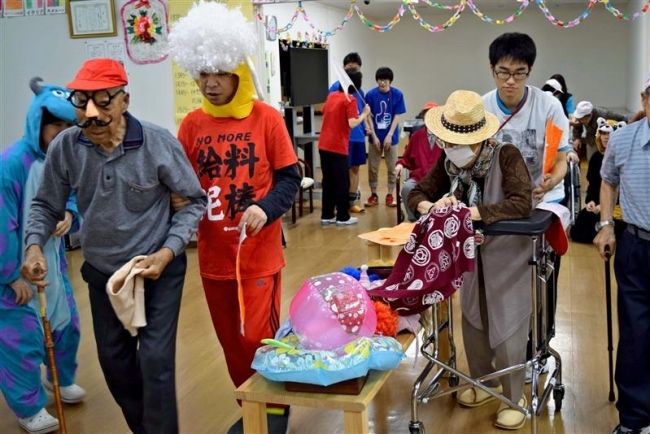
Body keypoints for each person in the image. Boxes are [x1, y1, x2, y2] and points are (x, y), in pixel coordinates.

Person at [21, 58, 207, 434]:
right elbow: (45, 204)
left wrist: (168, 251)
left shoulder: (157, 143)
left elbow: (192, 202)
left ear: (124, 100)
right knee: (115, 365)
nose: (90, 114)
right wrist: (34, 245)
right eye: (81, 103)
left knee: (156, 362)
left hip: (156, 268)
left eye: (103, 102)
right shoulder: (66, 148)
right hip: (103, 272)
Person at [168, 3, 301, 433]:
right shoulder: (190, 125)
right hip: (214, 257)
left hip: (259, 256)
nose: (209, 82)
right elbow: (182, 186)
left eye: (219, 72)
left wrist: (265, 207)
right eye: (202, 72)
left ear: (238, 72)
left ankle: (272, 410)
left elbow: (290, 176)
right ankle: (254, 408)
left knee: (254, 338)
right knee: (229, 343)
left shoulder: (267, 119)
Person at [408, 90, 533, 430]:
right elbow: (420, 190)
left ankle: (515, 395)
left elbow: (522, 202)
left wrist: (474, 212)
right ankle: (485, 383)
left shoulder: (506, 156)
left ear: (481, 139)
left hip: (506, 253)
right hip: (467, 256)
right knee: (473, 320)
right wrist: (426, 206)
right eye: (446, 142)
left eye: (458, 144)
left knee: (507, 324)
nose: (451, 149)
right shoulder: (449, 161)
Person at [482, 32, 570, 379]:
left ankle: (538, 350)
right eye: (503, 72)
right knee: (498, 285)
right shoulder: (483, 106)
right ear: (492, 70)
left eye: (519, 72)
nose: (510, 81)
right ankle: (499, 356)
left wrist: (552, 180)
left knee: (541, 282)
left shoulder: (548, 106)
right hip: (498, 210)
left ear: (530, 72)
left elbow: (562, 160)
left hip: (540, 205)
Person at [0, 78, 85, 434]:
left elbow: (71, 197)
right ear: (39, 121)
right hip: (15, 271)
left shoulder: (63, 159)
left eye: (69, 126)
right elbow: (2, 224)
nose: (62, 133)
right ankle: (27, 405)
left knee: (65, 324)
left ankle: (60, 378)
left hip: (53, 265)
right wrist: (9, 275)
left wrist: (69, 215)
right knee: (20, 341)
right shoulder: (11, 164)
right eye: (55, 125)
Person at [594, 76, 650, 434]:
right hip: (637, 244)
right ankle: (635, 418)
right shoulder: (625, 138)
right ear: (646, 100)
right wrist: (605, 225)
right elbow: (608, 180)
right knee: (636, 332)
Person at [320, 69, 371, 226]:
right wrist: (364, 114)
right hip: (337, 147)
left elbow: (326, 113)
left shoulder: (331, 96)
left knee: (328, 181)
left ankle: (327, 215)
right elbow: (352, 123)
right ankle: (343, 216)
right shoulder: (350, 100)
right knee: (342, 182)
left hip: (323, 145)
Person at [570, 118, 626, 243]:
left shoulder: (622, 158)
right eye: (603, 133)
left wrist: (605, 206)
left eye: (609, 134)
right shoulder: (596, 158)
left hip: (616, 208)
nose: (605, 137)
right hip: (597, 205)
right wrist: (590, 202)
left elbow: (623, 190)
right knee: (577, 230)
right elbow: (592, 186)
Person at [328, 52, 368, 213]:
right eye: (349, 66)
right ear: (343, 68)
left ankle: (351, 202)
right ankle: (340, 202)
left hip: (357, 136)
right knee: (340, 169)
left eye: (355, 66)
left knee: (355, 169)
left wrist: (366, 128)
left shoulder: (360, 91)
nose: (352, 68)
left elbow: (361, 111)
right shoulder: (335, 88)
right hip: (341, 137)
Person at [365, 66, 407, 208]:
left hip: (391, 138)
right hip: (374, 138)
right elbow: (368, 116)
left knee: (392, 166)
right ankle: (373, 194)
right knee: (373, 167)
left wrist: (389, 135)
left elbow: (397, 116)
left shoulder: (397, 94)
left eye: (385, 80)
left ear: (390, 81)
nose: (382, 83)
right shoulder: (370, 95)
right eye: (380, 80)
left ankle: (390, 194)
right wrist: (374, 135)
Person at [394, 102, 442, 221]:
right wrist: (400, 165)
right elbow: (406, 157)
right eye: (426, 115)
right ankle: (414, 219)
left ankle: (437, 219)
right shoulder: (416, 136)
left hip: (439, 179)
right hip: (419, 177)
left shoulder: (445, 136)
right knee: (407, 188)